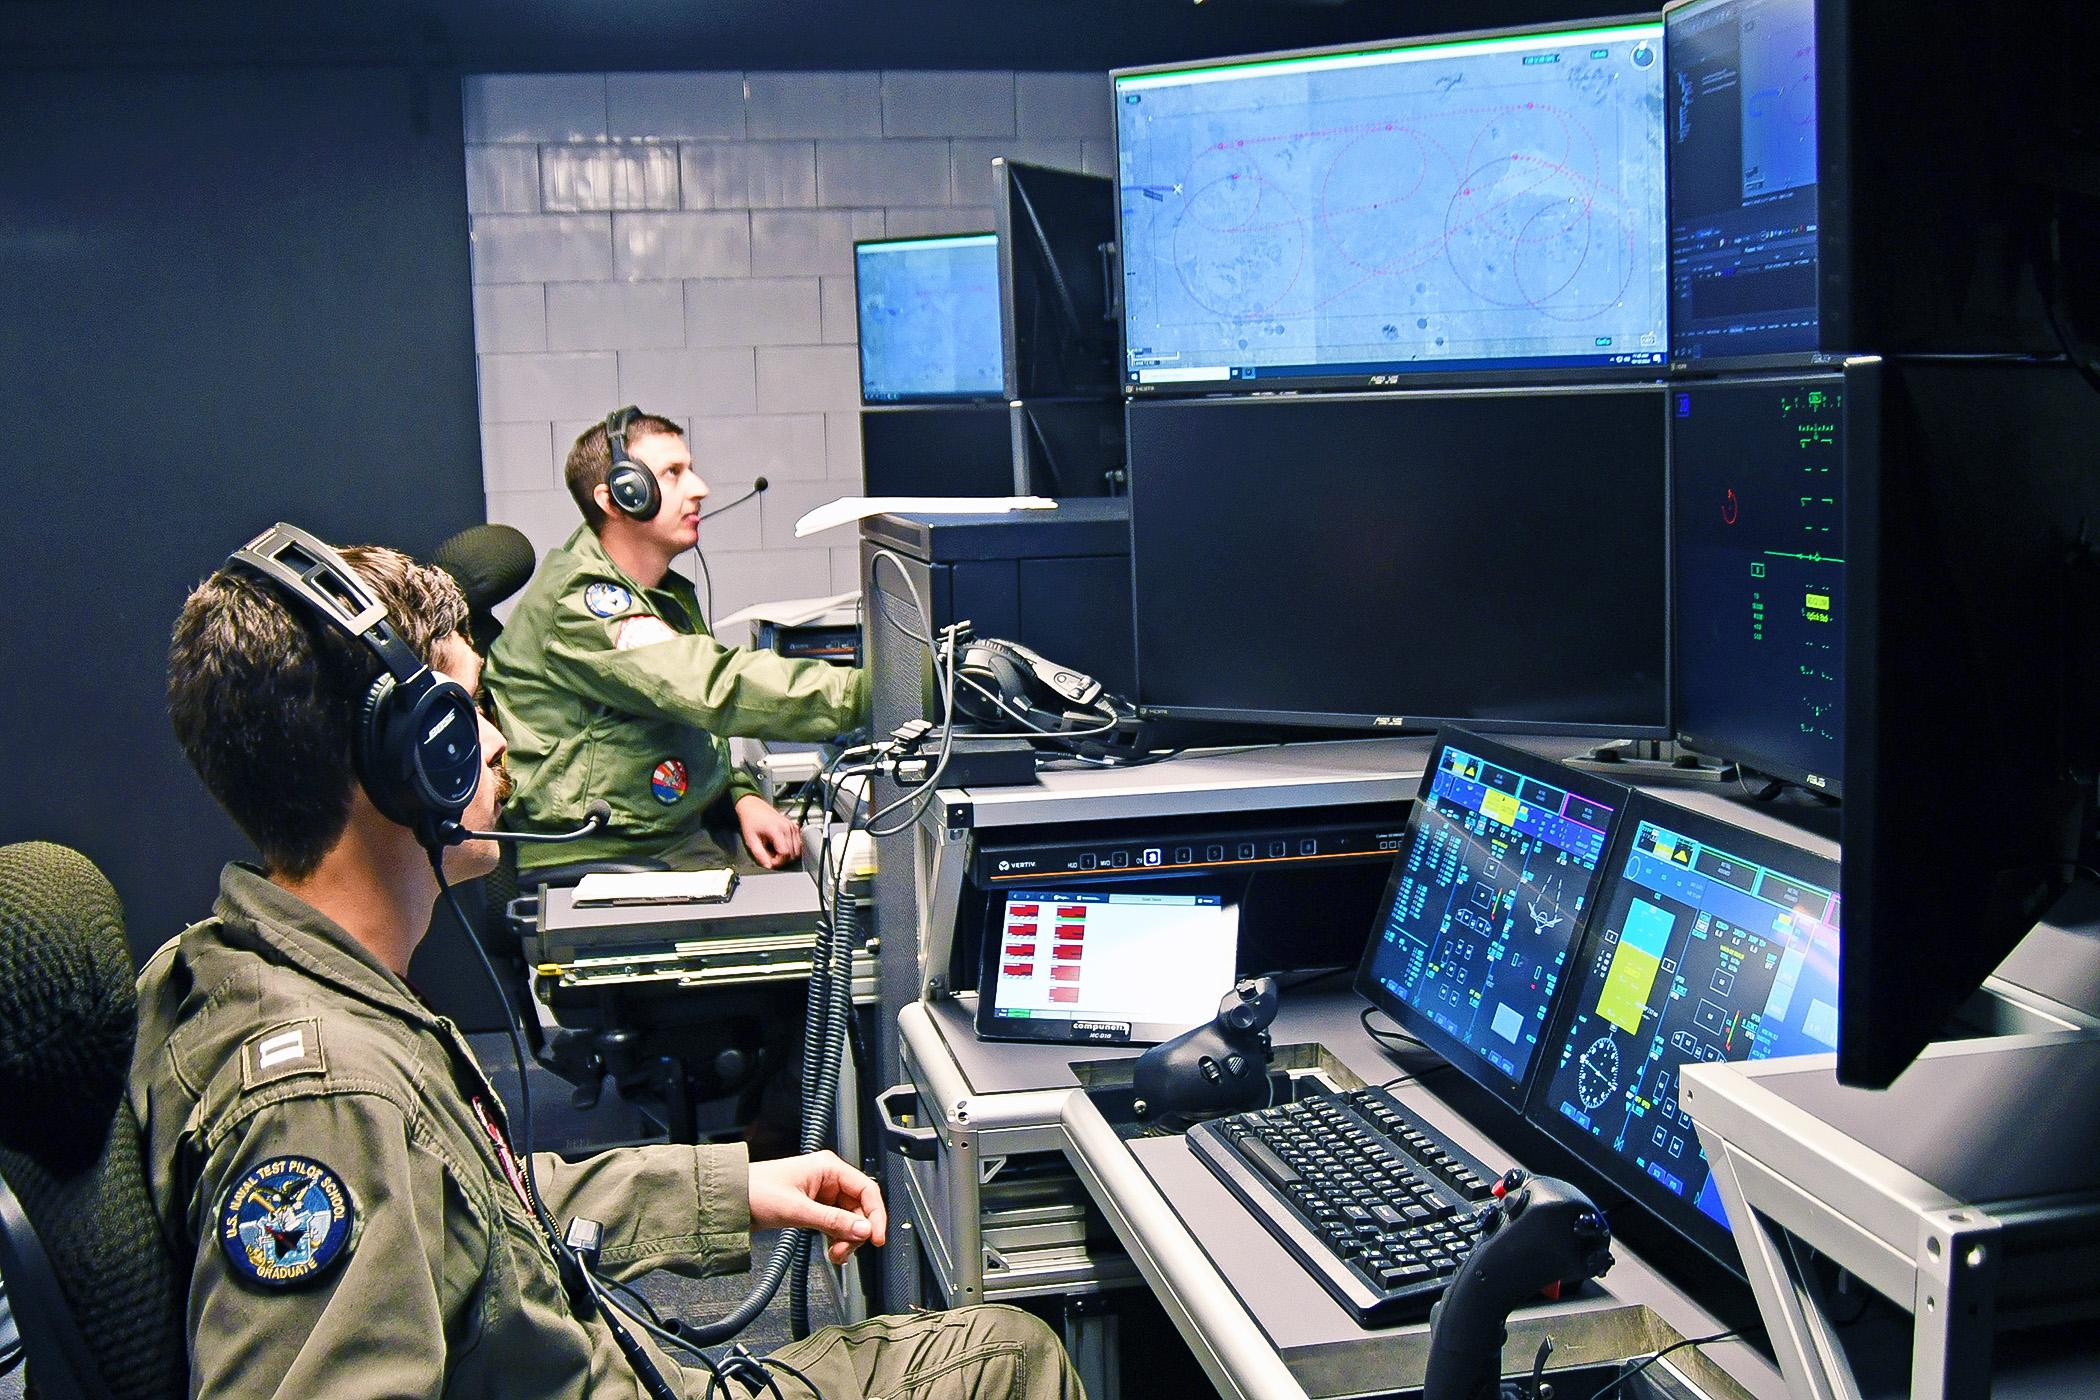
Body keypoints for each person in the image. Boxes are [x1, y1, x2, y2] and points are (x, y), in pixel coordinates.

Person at [139, 533, 1078, 1398]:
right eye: (467, 709)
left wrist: (727, 1189)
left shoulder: (256, 974)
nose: (499, 740)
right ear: (402, 761)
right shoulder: (327, 1101)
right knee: (1007, 1358)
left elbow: (473, 1210)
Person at [486, 408, 866, 876]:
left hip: (664, 834)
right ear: (621, 497)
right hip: (603, 856)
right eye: (673, 473)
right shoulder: (584, 601)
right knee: (837, 903)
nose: (699, 488)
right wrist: (875, 692)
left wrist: (739, 796)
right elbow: (714, 687)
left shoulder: (656, 591)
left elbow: (686, 720)